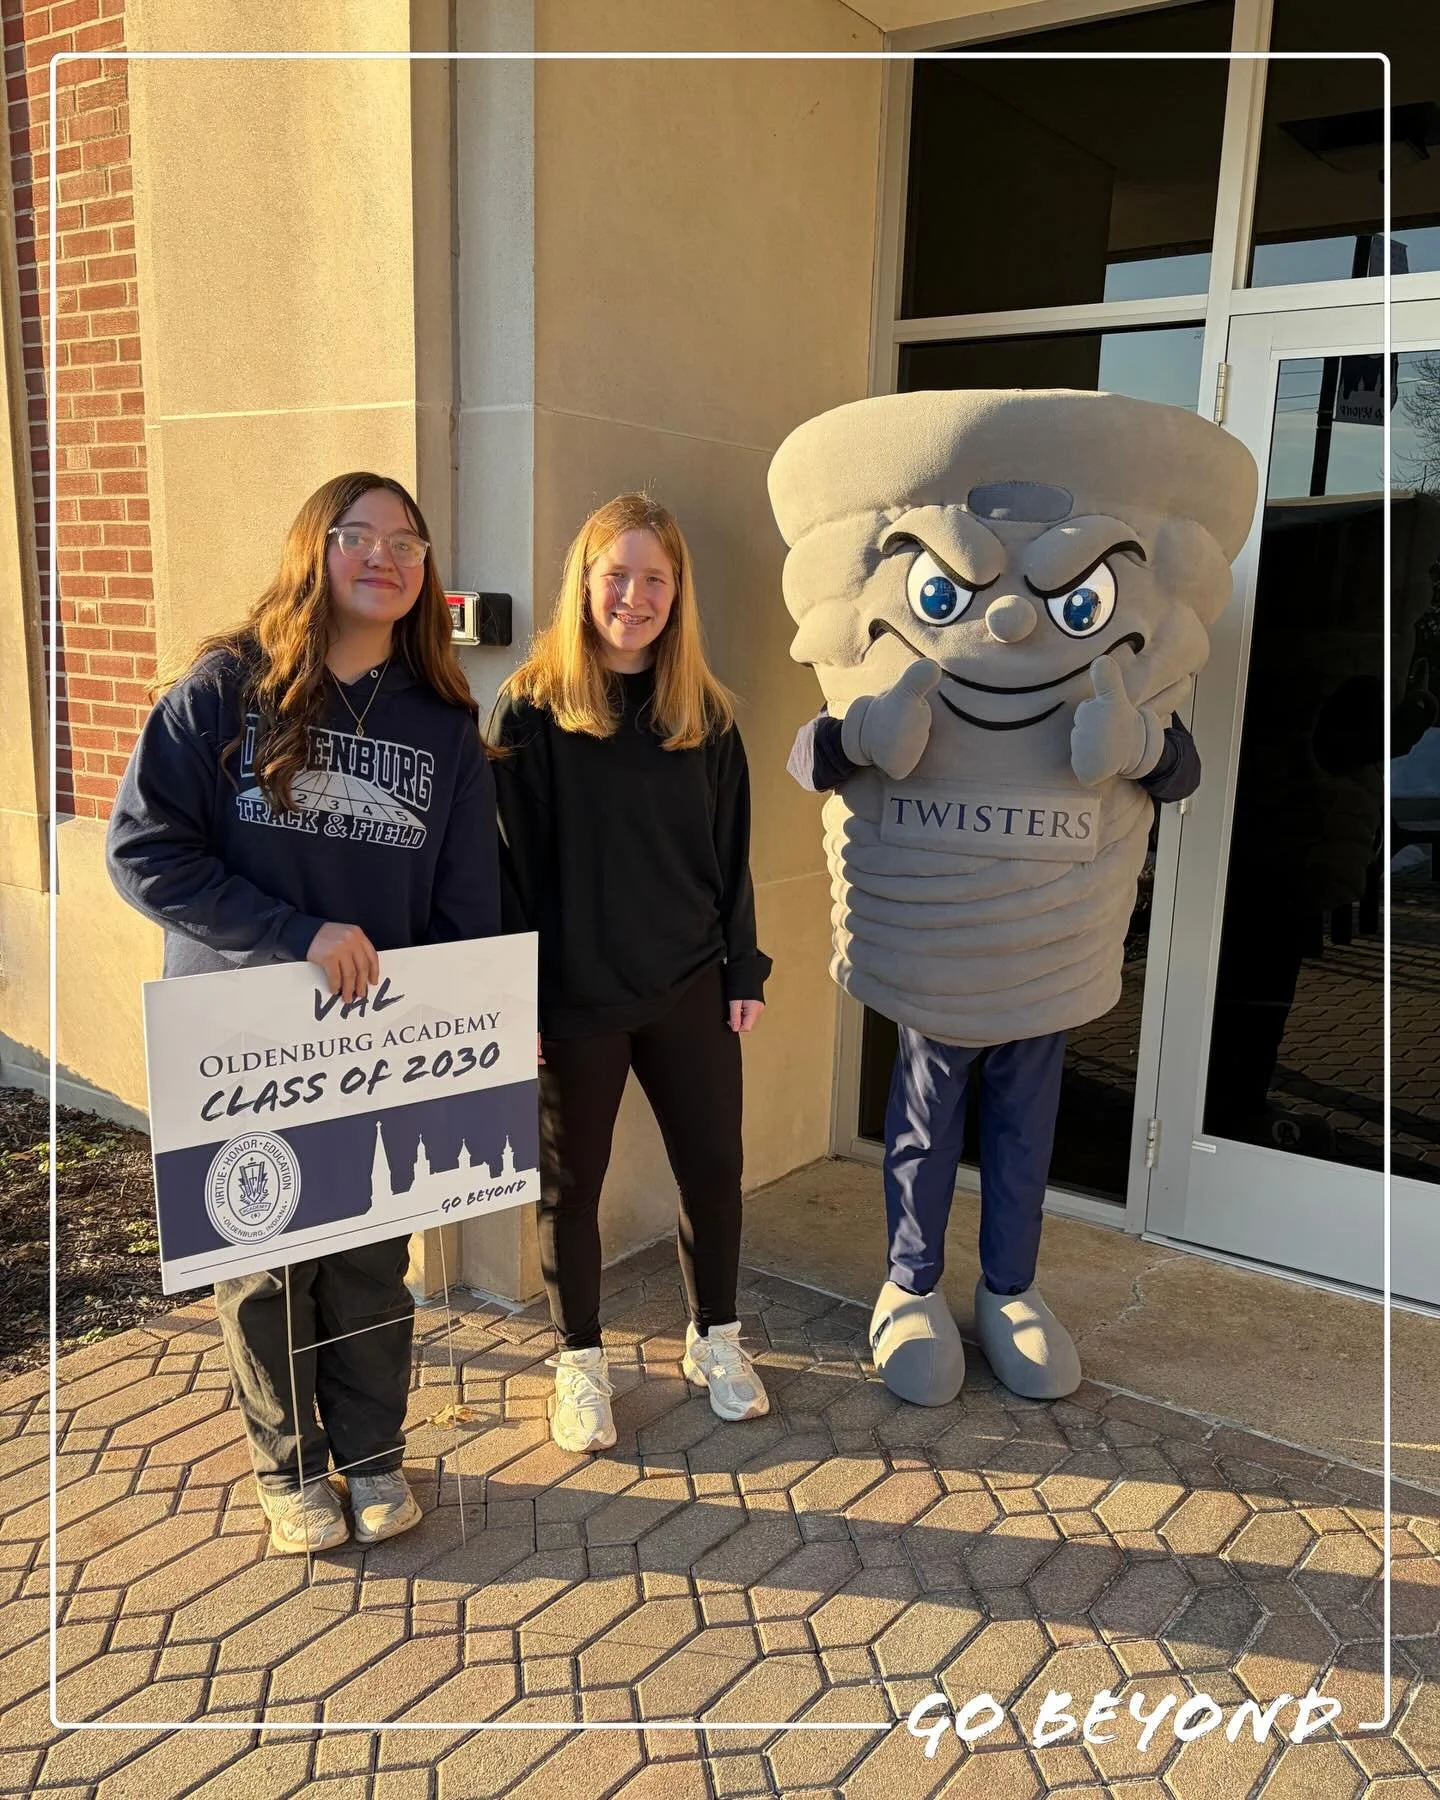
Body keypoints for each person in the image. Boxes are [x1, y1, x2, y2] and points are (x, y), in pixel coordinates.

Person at [107, 472, 501, 1553]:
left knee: (373, 1256)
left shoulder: (443, 726)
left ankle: (372, 1458)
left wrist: (470, 1034)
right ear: (312, 551)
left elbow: (470, 905)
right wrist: (297, 935)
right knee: (267, 1258)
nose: (386, 556)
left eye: (408, 542)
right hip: (244, 1041)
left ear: (425, 574)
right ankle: (289, 1470)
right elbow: (144, 854)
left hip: (378, 1050)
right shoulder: (225, 692)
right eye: (359, 535)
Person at [490, 493, 771, 1454]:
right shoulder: (530, 708)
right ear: (585, 580)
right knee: (572, 1185)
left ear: (677, 593)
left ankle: (716, 1339)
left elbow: (729, 857)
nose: (636, 596)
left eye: (657, 579)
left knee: (716, 1170)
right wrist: (510, 1000)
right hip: (574, 998)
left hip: (690, 981)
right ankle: (579, 1363)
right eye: (619, 574)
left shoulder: (705, 713)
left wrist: (745, 966)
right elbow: (507, 869)